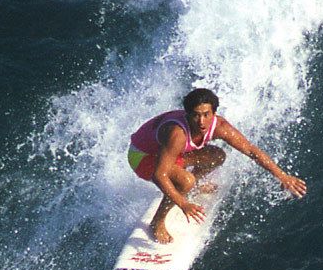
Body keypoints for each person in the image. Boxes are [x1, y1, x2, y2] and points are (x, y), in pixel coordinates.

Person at [127, 87, 306, 243]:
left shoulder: (220, 126)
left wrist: (282, 176)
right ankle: (157, 222)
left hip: (167, 152)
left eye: (206, 114)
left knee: (216, 156)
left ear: (213, 113)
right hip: (142, 157)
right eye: (196, 115)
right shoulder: (177, 134)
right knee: (185, 181)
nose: (201, 121)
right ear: (187, 115)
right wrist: (183, 204)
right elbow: (160, 175)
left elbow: (250, 150)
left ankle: (190, 186)